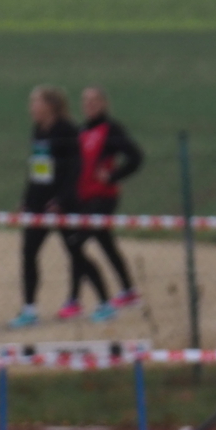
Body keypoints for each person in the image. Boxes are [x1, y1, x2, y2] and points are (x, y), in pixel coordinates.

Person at [12, 83, 94, 326]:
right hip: (39, 203)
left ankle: (84, 300)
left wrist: (61, 200)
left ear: (49, 105)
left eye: (35, 102)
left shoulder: (67, 129)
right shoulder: (38, 130)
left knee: (75, 251)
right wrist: (27, 200)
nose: (31, 107)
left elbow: (74, 169)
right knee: (29, 251)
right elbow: (36, 170)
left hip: (63, 204)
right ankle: (29, 308)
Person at [76, 85, 143, 315]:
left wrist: (113, 176)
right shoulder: (82, 130)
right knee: (105, 243)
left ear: (104, 103)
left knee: (76, 243)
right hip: (84, 197)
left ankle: (91, 301)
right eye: (86, 101)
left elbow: (135, 157)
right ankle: (128, 290)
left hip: (103, 197)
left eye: (94, 100)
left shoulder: (112, 129)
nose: (90, 105)